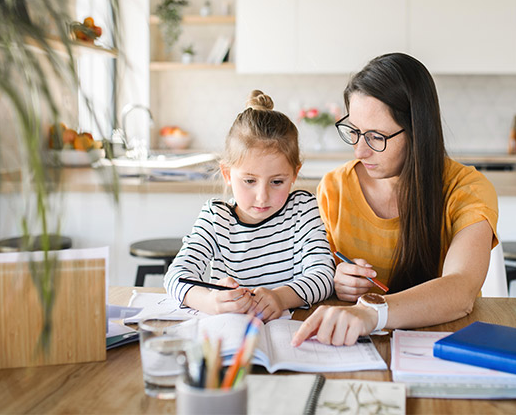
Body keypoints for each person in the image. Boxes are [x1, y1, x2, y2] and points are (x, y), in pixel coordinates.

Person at [291, 53, 498, 346]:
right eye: (355, 132)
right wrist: (336, 280)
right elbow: (316, 271)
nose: (360, 151)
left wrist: (373, 312)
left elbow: (462, 289)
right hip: (354, 344)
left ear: (417, 131)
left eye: (376, 136)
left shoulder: (467, 189)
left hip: (445, 341)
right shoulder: (334, 188)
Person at [164, 90, 335, 321]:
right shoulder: (216, 218)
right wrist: (209, 302)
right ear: (227, 173)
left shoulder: (303, 209)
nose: (262, 197)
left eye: (277, 182)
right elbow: (176, 276)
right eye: (249, 181)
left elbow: (323, 275)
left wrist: (280, 298)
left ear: (295, 174)